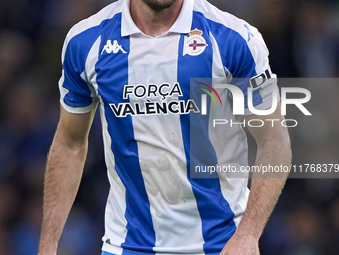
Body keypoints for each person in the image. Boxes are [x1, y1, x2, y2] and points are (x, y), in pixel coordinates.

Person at [38, 0, 292, 254]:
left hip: (221, 244)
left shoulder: (234, 38)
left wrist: (248, 234)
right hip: (127, 245)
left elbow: (274, 139)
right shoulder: (85, 41)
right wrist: (48, 244)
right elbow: (70, 144)